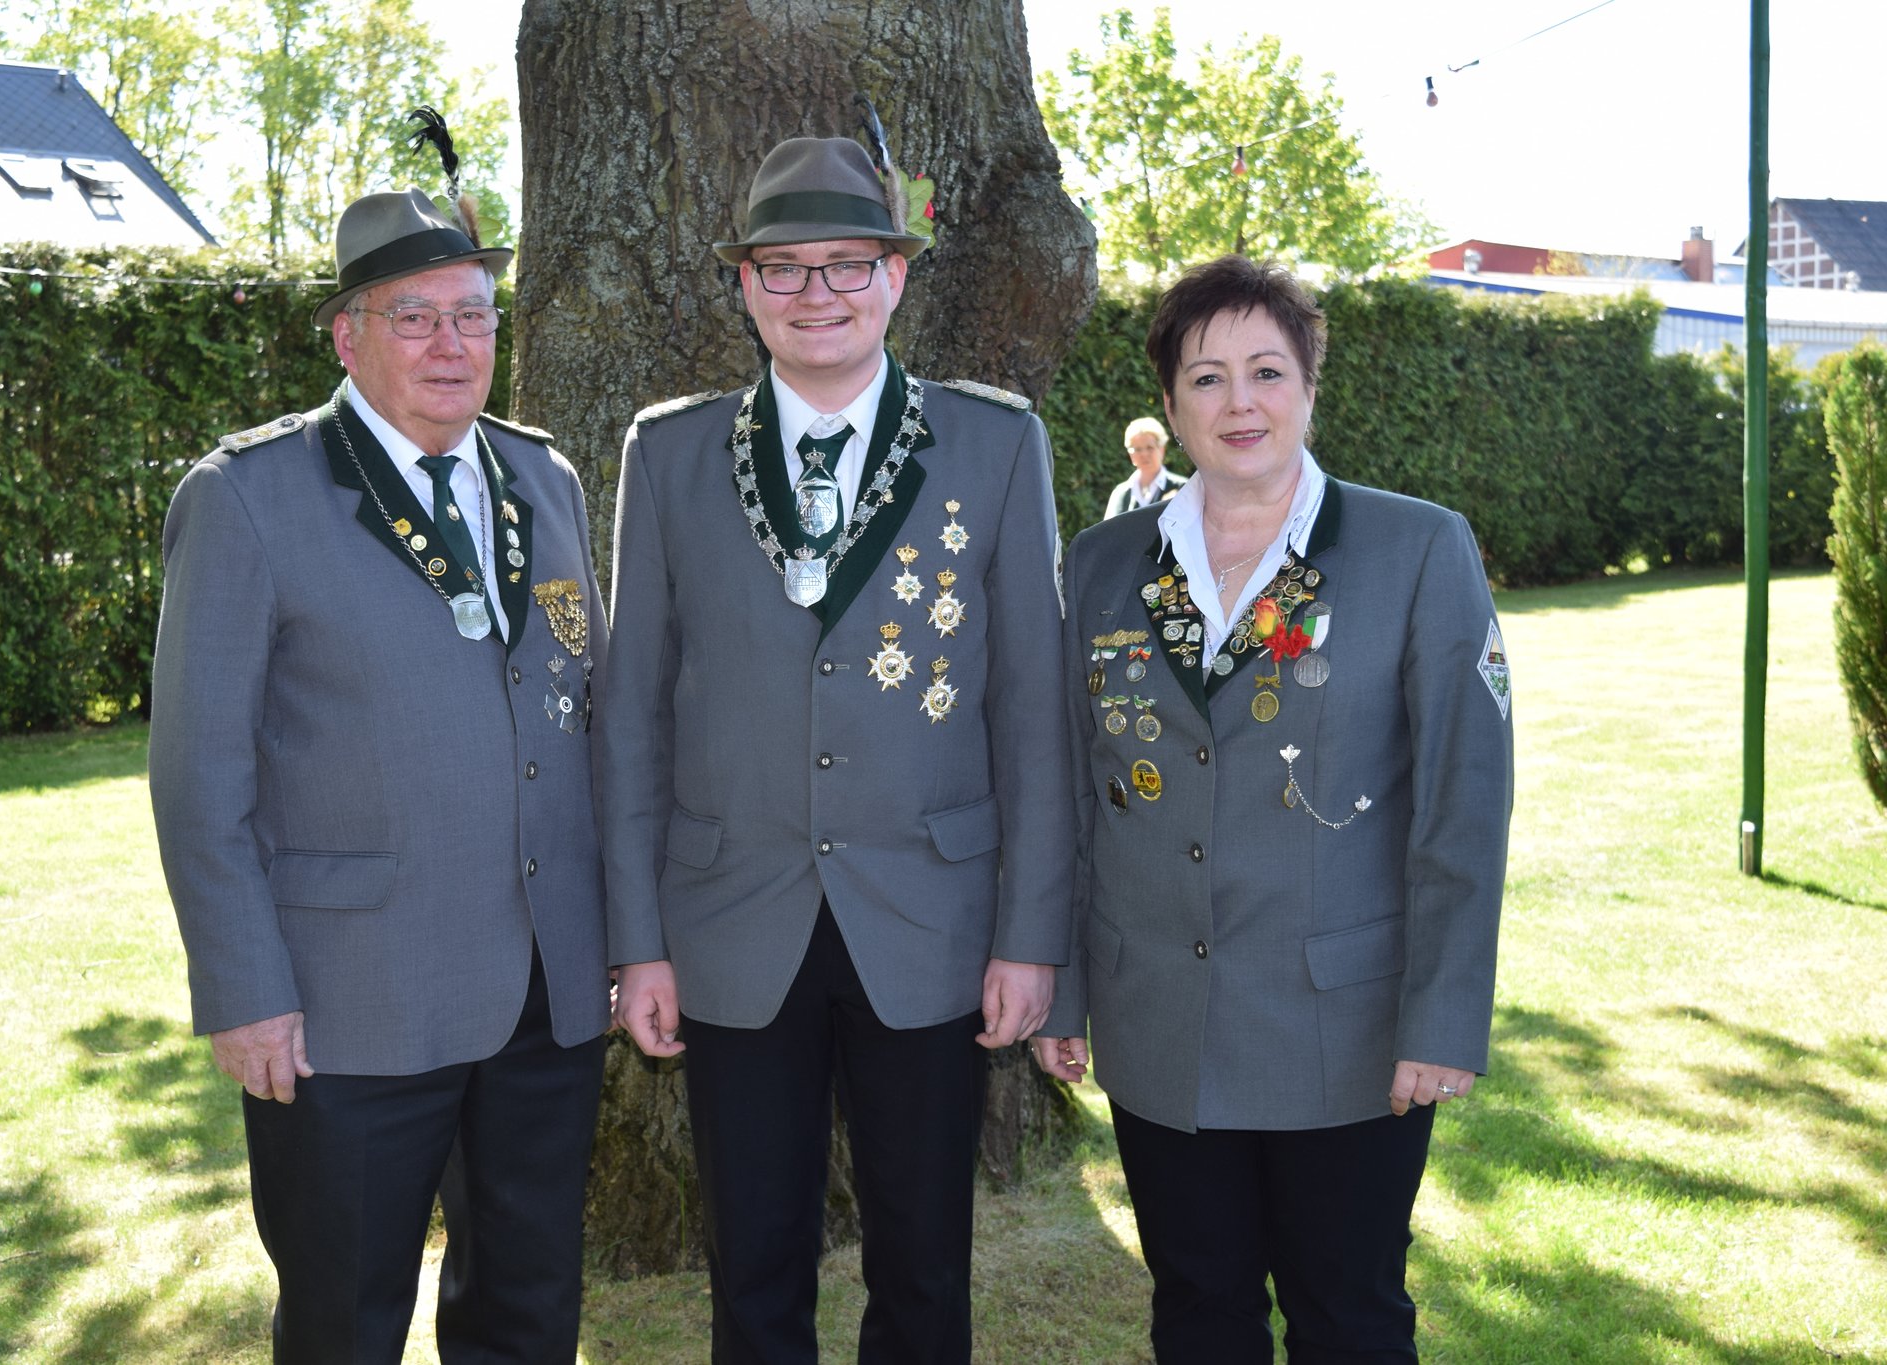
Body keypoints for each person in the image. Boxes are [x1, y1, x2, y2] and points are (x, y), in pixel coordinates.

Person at [596, 132, 1075, 1364]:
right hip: (727, 917)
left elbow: (1029, 710)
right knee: (752, 1265)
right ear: (744, 285)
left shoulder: (991, 445)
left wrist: (1031, 937)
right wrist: (636, 944)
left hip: (930, 915)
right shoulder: (668, 453)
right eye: (785, 267)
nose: (818, 293)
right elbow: (633, 711)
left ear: (895, 278)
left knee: (923, 1266)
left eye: (847, 263)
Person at [147, 146, 610, 1362]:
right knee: (345, 1319)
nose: (453, 344)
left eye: (473, 315)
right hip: (349, 1002)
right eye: (415, 317)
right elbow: (201, 775)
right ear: (346, 338)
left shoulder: (541, 476)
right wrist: (243, 990)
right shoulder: (249, 496)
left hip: (541, 996)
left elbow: (584, 706)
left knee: (527, 1309)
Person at [1036, 255, 1513, 1361]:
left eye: (1264, 370)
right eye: (1204, 379)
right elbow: (1069, 793)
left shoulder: (1412, 548)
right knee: (1196, 1312)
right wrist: (1062, 985)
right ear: (1167, 405)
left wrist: (1440, 1019)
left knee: (1347, 1315)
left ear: (1308, 386)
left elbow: (1461, 801)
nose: (1236, 403)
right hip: (1157, 1019)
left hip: (1341, 1030)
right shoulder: (1107, 563)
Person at [1102, 415, 1189, 519]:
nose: (1144, 454)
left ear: (1162, 449)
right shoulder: (1121, 493)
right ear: (1130, 454)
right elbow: (1109, 532)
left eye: (1149, 447)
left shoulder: (1183, 488)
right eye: (1138, 449)